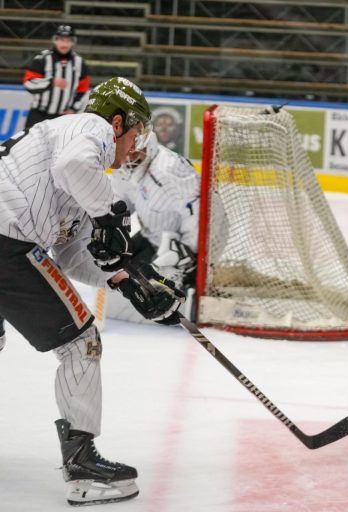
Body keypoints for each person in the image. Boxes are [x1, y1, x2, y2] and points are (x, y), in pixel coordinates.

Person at [0, 77, 185, 506]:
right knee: (82, 342)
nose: (134, 147)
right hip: (6, 240)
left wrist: (130, 282)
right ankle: (83, 467)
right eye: (135, 133)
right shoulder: (89, 129)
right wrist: (110, 216)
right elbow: (75, 166)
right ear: (117, 122)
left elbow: (72, 255)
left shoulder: (72, 168)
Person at [105, 131, 200, 323]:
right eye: (126, 151)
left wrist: (190, 251)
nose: (129, 158)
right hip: (153, 237)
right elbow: (121, 203)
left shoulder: (170, 168)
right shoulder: (122, 167)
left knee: (158, 295)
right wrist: (110, 230)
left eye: (135, 152)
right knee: (111, 267)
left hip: (181, 244)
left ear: (150, 146)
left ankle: (190, 283)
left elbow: (198, 211)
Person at [22, 25, 91, 129]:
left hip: (63, 117)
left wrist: (73, 109)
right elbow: (28, 83)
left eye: (68, 40)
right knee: (29, 140)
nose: (64, 44)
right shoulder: (42, 59)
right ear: (55, 40)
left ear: (73, 42)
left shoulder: (79, 63)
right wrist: (50, 82)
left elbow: (84, 90)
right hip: (39, 114)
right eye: (61, 40)